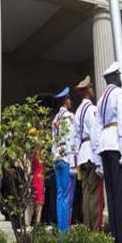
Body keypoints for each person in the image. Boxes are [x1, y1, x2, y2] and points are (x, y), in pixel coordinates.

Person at [96, 62, 122, 243]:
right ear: (115, 77)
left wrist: (97, 161)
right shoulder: (120, 93)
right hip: (117, 145)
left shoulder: (101, 99)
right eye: (118, 75)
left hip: (104, 146)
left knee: (111, 195)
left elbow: (96, 129)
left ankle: (117, 237)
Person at [72, 75, 104, 231]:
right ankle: (94, 230)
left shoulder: (78, 111)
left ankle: (86, 228)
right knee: (95, 194)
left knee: (85, 193)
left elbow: (75, 137)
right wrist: (99, 160)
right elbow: (95, 134)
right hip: (91, 153)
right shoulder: (92, 109)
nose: (93, 90)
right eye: (91, 87)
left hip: (83, 155)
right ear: (87, 90)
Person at [51, 86, 76, 233]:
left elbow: (54, 142)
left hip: (58, 158)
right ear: (66, 100)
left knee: (60, 196)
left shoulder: (55, 119)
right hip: (67, 158)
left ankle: (61, 231)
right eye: (69, 98)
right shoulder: (69, 117)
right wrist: (73, 163)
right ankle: (64, 233)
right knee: (68, 197)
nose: (70, 101)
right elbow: (71, 140)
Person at [28, 148, 44, 226]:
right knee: (38, 203)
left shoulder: (34, 159)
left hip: (36, 179)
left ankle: (33, 221)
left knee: (35, 202)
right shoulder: (38, 159)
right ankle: (37, 222)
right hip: (38, 180)